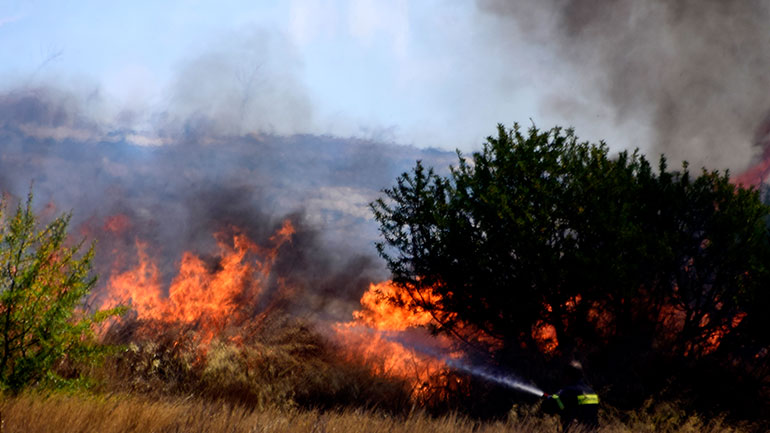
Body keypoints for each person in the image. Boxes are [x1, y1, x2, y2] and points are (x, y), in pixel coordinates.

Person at [542, 360, 600, 431]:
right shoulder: (591, 392)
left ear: (568, 376)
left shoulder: (569, 391)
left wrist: (550, 398)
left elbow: (547, 407)